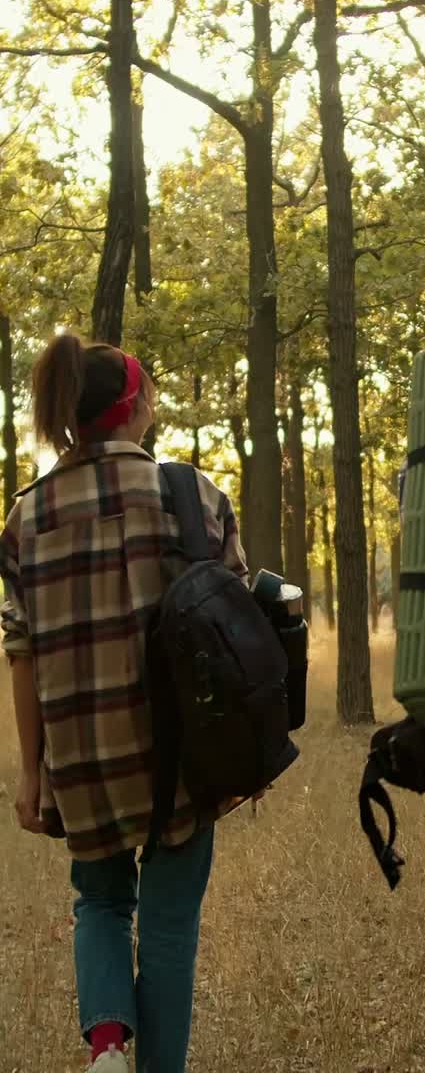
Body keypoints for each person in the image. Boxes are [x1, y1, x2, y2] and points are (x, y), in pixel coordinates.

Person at [0, 334, 248, 1072]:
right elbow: (236, 624)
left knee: (101, 904)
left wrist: (32, 771)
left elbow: (23, 650)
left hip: (82, 757)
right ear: (136, 406)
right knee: (169, 930)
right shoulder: (190, 493)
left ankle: (108, 1043)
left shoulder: (25, 517)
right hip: (180, 754)